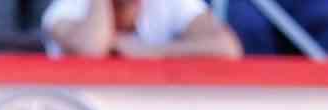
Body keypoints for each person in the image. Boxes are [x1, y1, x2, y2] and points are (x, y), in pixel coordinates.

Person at [42, 0, 242, 56]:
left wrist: (147, 52)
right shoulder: (67, 7)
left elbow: (226, 48)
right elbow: (91, 49)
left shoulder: (170, 3)